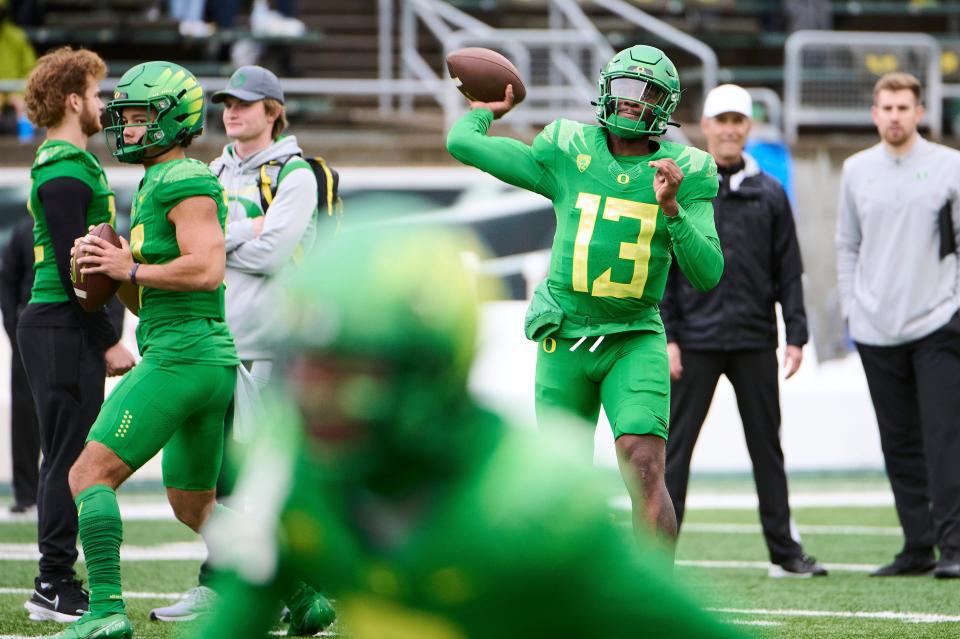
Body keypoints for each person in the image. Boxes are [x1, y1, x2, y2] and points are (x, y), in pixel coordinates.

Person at [192, 225, 744, 639]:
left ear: (428, 369)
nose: (317, 398)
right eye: (308, 367)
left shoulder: (530, 499)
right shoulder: (293, 469)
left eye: (349, 371)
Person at [447, 44, 723, 544]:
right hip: (565, 332)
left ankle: (648, 610)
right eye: (623, 91)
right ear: (604, 91)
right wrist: (483, 114)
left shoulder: (688, 170)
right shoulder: (567, 148)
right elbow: (464, 145)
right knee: (560, 478)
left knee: (642, 461)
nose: (630, 103)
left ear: (664, 105)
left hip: (633, 336)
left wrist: (673, 210)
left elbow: (708, 273)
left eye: (644, 95)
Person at [148, 63, 326, 626]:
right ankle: (223, 582)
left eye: (246, 103)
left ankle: (277, 584)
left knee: (259, 475)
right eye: (227, 101)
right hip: (216, 342)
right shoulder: (207, 170)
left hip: (271, 346)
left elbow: (274, 254)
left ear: (273, 110)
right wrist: (242, 235)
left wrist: (217, 247)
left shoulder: (297, 174)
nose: (232, 111)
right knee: (216, 474)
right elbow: (198, 249)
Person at [660, 83, 826, 578]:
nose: (730, 129)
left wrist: (796, 334)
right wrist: (667, 334)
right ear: (706, 126)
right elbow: (663, 264)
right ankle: (656, 557)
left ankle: (785, 553)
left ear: (747, 127)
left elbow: (788, 269)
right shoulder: (684, 188)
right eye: (721, 120)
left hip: (755, 338)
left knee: (767, 448)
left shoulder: (770, 192)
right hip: (693, 341)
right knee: (674, 453)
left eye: (738, 121)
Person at [17, 46, 136, 625]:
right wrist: (107, 336)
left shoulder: (71, 162)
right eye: (95, 92)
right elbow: (75, 270)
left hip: (62, 325)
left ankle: (54, 578)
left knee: (68, 452)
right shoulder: (64, 169)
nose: (102, 102)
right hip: (62, 324)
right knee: (69, 456)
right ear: (73, 100)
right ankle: (54, 581)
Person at [836, 71, 960, 580]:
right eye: (886, 107)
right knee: (899, 442)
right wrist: (851, 307)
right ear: (874, 113)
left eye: (903, 107)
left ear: (920, 112)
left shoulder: (951, 166)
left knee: (944, 437)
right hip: (874, 328)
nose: (894, 116)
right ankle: (917, 545)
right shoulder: (855, 170)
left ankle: (954, 547)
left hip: (937, 324)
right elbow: (847, 243)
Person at [1, 217, 40, 514]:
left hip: (75, 336)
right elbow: (7, 282)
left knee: (74, 417)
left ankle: (74, 490)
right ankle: (26, 493)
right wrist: (15, 330)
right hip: (29, 336)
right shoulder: (24, 232)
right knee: (25, 415)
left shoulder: (88, 230)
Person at [0, 0, 36, 140]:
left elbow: (31, 71)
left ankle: (25, 149)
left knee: (26, 114)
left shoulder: (17, 36)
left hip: (16, 98)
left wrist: (18, 93)